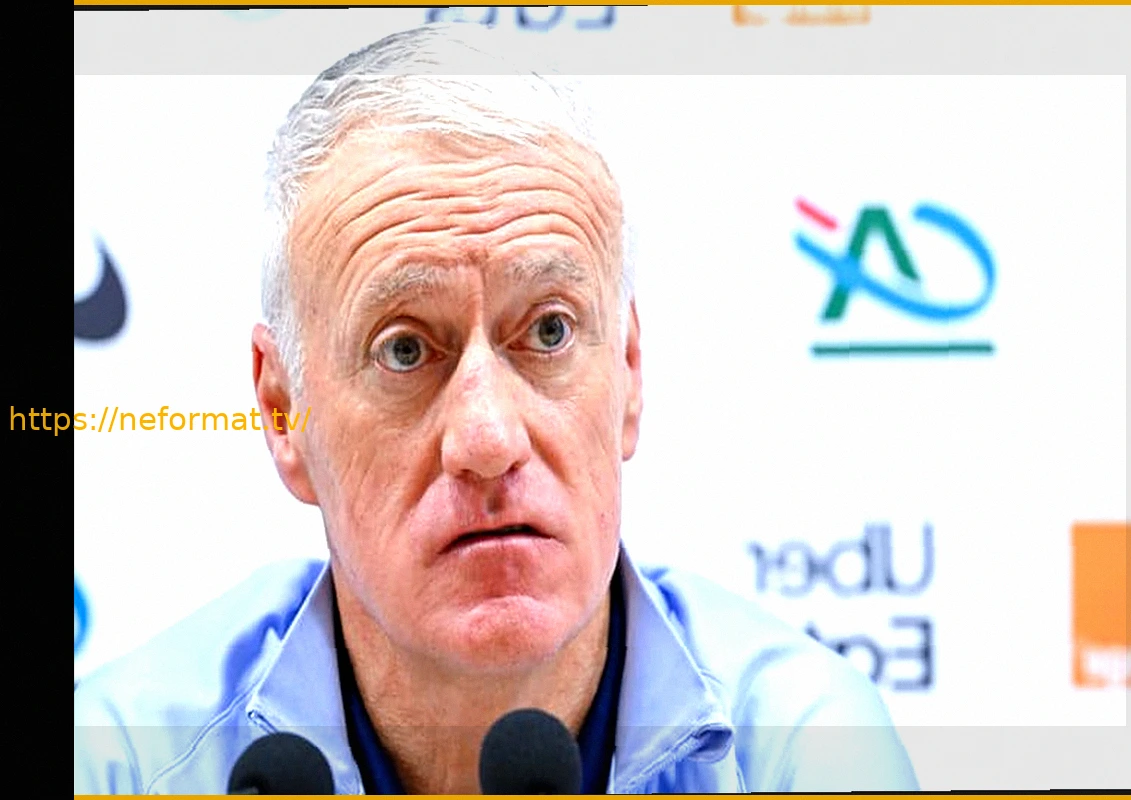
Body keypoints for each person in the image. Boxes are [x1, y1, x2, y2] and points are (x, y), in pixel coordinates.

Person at [74, 24, 919, 794]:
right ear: (284, 412)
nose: (487, 438)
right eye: (405, 350)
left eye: (549, 331)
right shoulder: (119, 764)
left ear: (628, 371)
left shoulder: (803, 754)